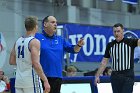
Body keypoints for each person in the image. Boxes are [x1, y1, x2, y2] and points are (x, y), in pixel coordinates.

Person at [35, 16, 84, 93]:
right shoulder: (37, 37)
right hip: (41, 77)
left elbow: (74, 50)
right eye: (52, 22)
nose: (55, 24)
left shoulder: (60, 39)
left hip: (57, 77)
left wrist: (79, 45)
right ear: (45, 24)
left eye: (56, 23)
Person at [94, 23, 140, 93]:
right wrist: (97, 75)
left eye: (118, 31)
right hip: (115, 75)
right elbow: (104, 62)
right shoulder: (110, 45)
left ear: (123, 31)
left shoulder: (130, 42)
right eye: (114, 31)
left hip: (128, 75)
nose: (116, 33)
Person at [9, 16, 50, 93]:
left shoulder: (18, 41)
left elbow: (11, 61)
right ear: (35, 26)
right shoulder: (34, 41)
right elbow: (36, 63)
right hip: (31, 80)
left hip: (19, 81)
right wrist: (45, 80)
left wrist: (23, 62)